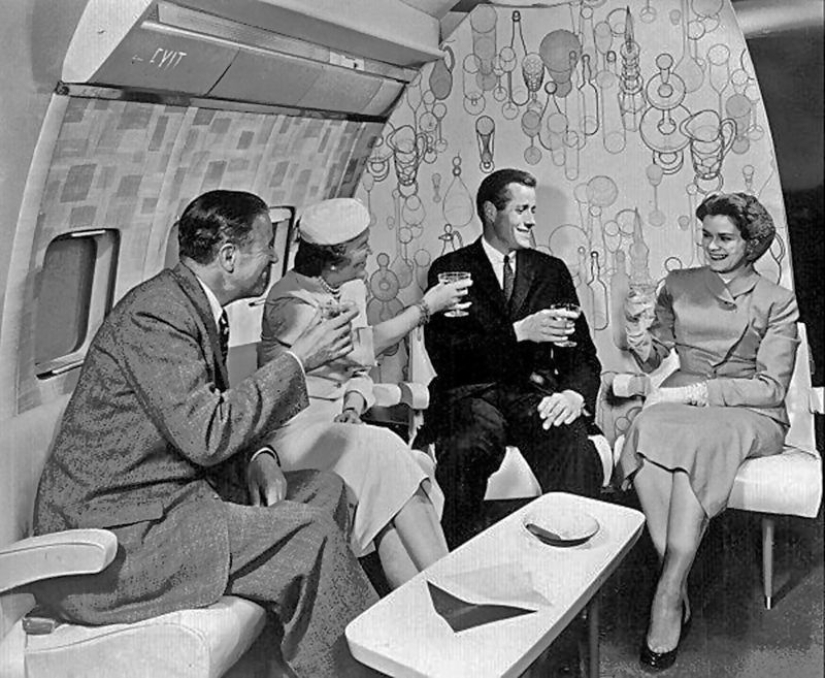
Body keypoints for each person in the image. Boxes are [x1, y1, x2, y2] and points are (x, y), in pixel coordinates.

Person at [32, 190, 378, 678]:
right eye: (267, 245)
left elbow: (205, 409)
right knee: (310, 535)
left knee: (326, 489)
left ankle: (288, 667)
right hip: (117, 541)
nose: (275, 257)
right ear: (229, 257)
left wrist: (258, 456)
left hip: (167, 502)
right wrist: (299, 360)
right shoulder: (156, 315)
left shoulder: (192, 306)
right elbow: (206, 435)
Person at [619, 192, 799, 671]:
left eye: (725, 238)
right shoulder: (679, 284)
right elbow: (655, 357)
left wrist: (698, 393)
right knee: (645, 425)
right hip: (679, 403)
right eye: (706, 236)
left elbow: (771, 388)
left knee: (693, 442)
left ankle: (666, 595)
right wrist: (637, 333)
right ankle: (675, 581)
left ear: (750, 243)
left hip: (747, 410)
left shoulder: (776, 301)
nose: (713, 246)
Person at [258, 197, 470, 588]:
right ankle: (453, 585)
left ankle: (422, 606)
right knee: (385, 449)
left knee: (401, 480)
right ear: (332, 259)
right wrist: (425, 308)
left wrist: (354, 406)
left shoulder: (349, 287)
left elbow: (358, 371)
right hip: (293, 436)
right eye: (361, 246)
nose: (369, 252)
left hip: (337, 429)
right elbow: (357, 348)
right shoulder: (287, 302)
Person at [421, 167, 604, 549]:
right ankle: (459, 562)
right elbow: (447, 359)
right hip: (471, 397)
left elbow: (583, 356)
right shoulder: (450, 271)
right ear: (491, 212)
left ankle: (574, 566)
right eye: (521, 210)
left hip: (533, 396)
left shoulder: (550, 271)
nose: (532, 220)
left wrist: (573, 395)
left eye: (533, 210)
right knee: (466, 448)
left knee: (574, 445)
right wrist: (519, 332)